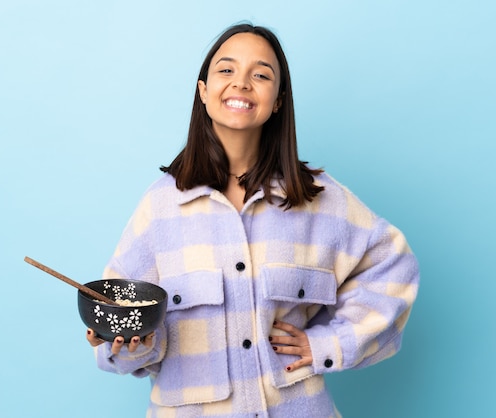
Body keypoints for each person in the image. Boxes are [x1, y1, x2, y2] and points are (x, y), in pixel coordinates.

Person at [86, 23, 419, 418]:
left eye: (260, 75)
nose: (241, 83)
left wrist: (330, 344)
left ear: (278, 100)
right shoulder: (160, 208)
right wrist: (127, 343)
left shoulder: (316, 198)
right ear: (203, 92)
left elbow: (392, 267)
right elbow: (128, 337)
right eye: (226, 70)